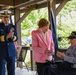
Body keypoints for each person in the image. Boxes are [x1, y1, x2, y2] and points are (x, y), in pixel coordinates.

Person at [0, 10, 18, 75]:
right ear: (1, 18)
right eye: (4, 17)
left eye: (7, 17)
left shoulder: (13, 26)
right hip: (1, 52)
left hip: (11, 51)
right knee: (1, 71)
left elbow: (16, 38)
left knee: (12, 71)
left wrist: (12, 37)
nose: (6, 19)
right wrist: (7, 37)